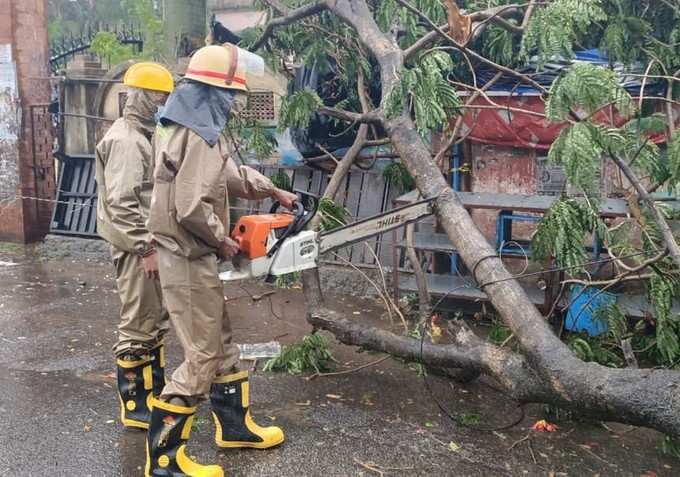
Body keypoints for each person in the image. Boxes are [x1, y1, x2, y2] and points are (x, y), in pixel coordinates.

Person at [145, 44, 297, 477]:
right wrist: (223, 241)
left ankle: (235, 428)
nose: (234, 104)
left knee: (222, 345)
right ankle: (164, 460)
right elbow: (192, 206)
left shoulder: (194, 131)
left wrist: (271, 190)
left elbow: (229, 176)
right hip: (188, 258)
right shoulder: (197, 135)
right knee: (202, 355)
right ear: (212, 94)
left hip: (192, 258)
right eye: (231, 96)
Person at [95, 62, 174, 429]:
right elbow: (122, 204)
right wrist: (146, 248)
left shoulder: (143, 134)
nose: (163, 103)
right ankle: (136, 407)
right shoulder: (126, 141)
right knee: (138, 323)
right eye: (159, 96)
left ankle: (151, 395)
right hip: (134, 248)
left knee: (153, 320)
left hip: (142, 244)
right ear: (140, 96)